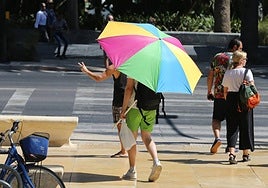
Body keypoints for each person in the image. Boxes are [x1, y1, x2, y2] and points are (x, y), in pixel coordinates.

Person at [78, 61, 128, 158]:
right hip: (130, 100)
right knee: (130, 128)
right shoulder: (131, 65)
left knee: (121, 127)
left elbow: (99, 78)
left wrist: (86, 71)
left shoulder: (114, 67)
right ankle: (128, 150)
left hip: (119, 101)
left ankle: (124, 150)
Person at [120, 78, 162, 182]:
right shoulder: (157, 67)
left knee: (132, 139)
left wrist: (123, 109)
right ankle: (156, 161)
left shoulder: (134, 65)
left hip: (134, 107)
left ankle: (132, 170)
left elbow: (129, 88)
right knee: (147, 137)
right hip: (151, 107)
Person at [207, 38, 243, 154]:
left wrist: (209, 91)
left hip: (218, 93)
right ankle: (230, 146)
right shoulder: (237, 59)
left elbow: (211, 75)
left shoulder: (217, 57)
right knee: (232, 121)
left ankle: (217, 138)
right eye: (240, 48)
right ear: (234, 48)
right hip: (233, 94)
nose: (241, 51)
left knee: (216, 118)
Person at [222, 50, 255, 164]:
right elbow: (252, 88)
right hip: (244, 101)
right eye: (245, 59)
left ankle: (232, 153)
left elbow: (225, 90)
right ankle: (245, 153)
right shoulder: (247, 72)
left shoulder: (228, 73)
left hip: (231, 99)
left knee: (232, 127)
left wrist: (229, 101)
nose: (246, 61)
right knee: (246, 126)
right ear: (241, 60)